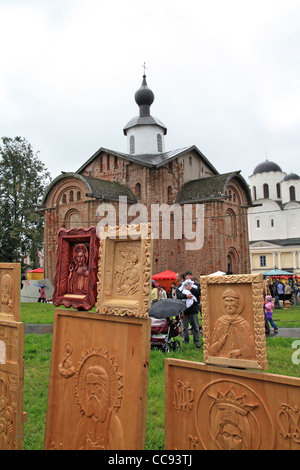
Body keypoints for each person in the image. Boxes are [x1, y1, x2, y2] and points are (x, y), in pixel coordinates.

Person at [176, 269, 201, 348]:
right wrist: (186, 296)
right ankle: (186, 341)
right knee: (184, 327)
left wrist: (191, 289)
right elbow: (178, 295)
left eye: (190, 275)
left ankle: (197, 341)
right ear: (185, 276)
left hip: (193, 309)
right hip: (184, 310)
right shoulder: (181, 286)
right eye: (188, 275)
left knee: (195, 327)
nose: (190, 277)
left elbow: (198, 293)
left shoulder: (195, 285)